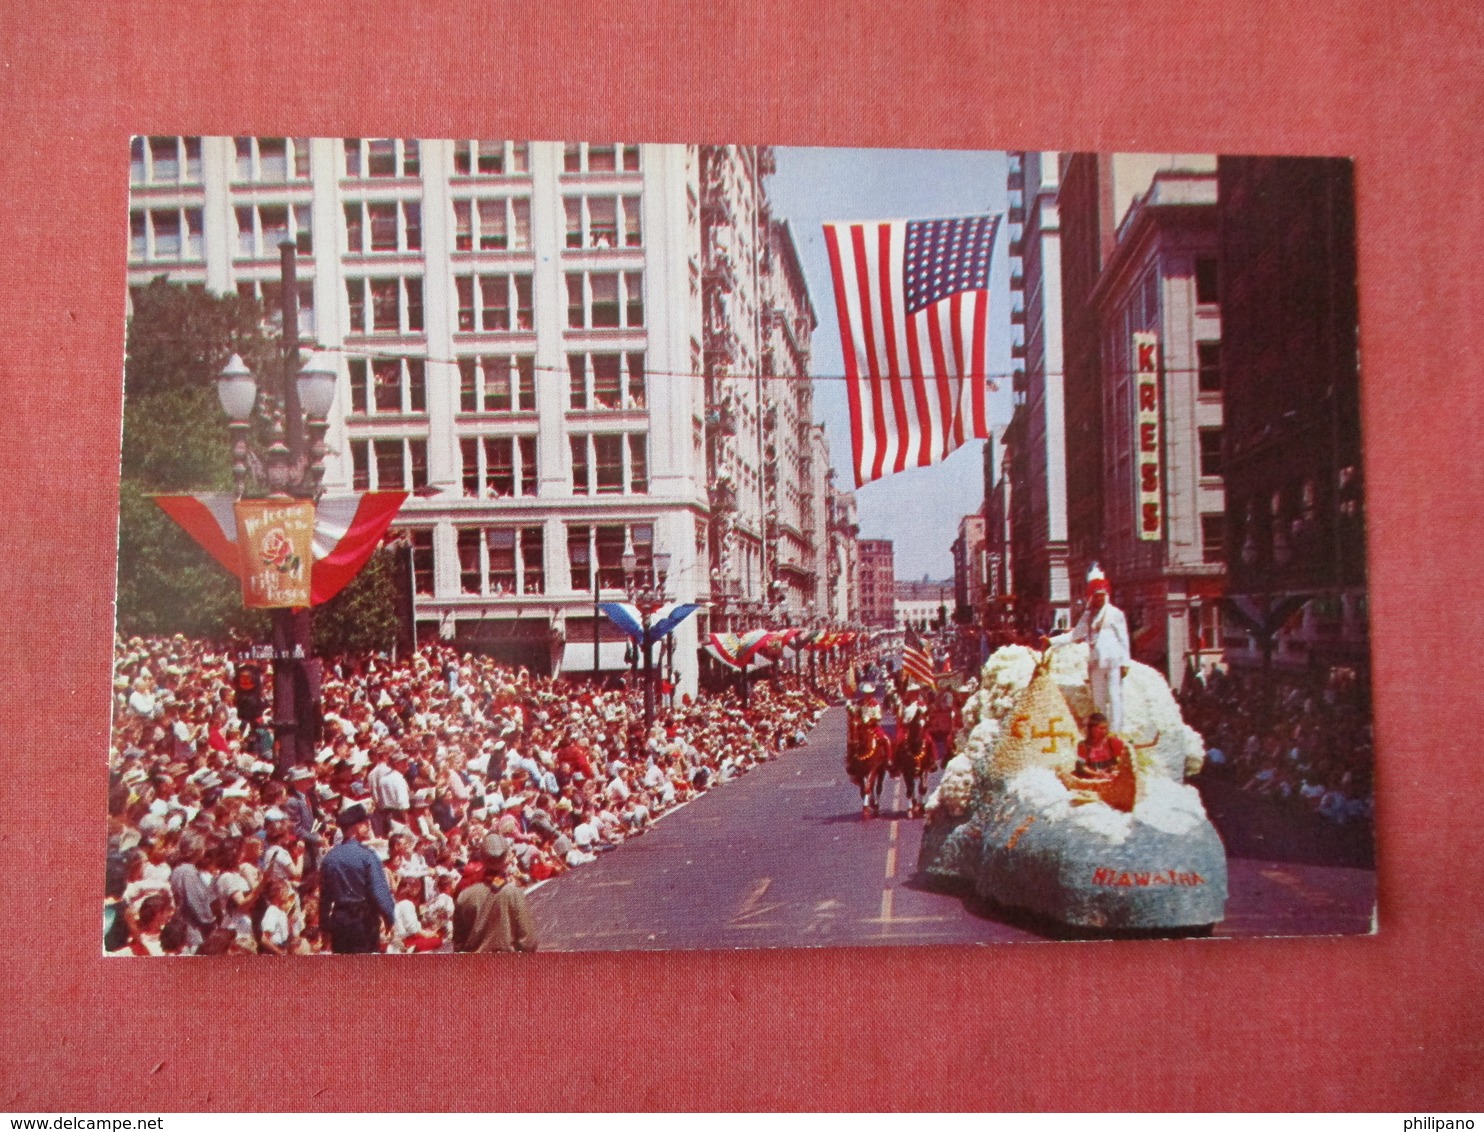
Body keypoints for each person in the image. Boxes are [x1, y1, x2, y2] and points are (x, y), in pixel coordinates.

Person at [1044, 564, 1131, 733]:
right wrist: (1051, 641)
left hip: (1113, 661)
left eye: (1101, 595)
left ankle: (1117, 733)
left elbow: (1123, 638)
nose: (1099, 599)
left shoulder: (1115, 613)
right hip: (1095, 661)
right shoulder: (1087, 615)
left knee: (1115, 697)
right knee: (1098, 700)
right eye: (1096, 596)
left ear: (1106, 595)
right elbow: (1074, 635)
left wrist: (1125, 663)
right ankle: (1101, 732)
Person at [318, 802, 396, 954]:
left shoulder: (329, 858)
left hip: (340, 919)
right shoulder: (367, 856)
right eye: (365, 824)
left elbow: (325, 897)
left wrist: (324, 925)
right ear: (356, 827)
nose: (368, 827)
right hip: (364, 919)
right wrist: (389, 917)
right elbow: (379, 891)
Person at [452, 834, 538, 953]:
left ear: (482, 858)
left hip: (474, 966)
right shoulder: (514, 893)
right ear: (505, 859)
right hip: (506, 964)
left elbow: (458, 943)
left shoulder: (465, 895)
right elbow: (529, 941)